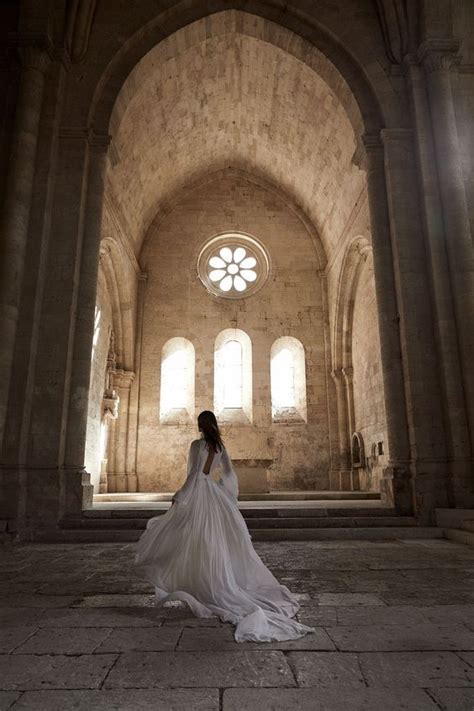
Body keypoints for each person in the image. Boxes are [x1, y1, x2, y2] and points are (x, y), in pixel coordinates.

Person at [134, 410, 314, 643]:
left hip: (198, 492)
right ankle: (212, 577)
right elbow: (229, 473)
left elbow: (192, 475)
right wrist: (227, 494)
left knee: (190, 535)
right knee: (212, 538)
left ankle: (200, 580)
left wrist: (180, 496)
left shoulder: (196, 446)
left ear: (200, 425)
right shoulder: (219, 447)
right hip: (213, 493)